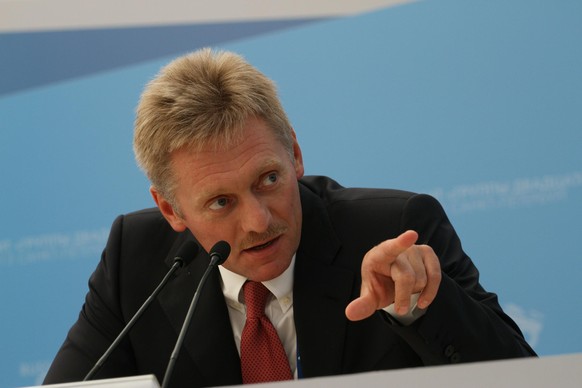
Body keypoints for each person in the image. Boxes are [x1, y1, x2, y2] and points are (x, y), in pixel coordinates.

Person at [43, 48, 536, 386]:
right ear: (171, 209)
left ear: (295, 155)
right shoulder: (136, 259)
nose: (259, 220)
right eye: (221, 202)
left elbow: (521, 376)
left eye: (269, 180)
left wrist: (422, 306)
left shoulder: (393, 230)